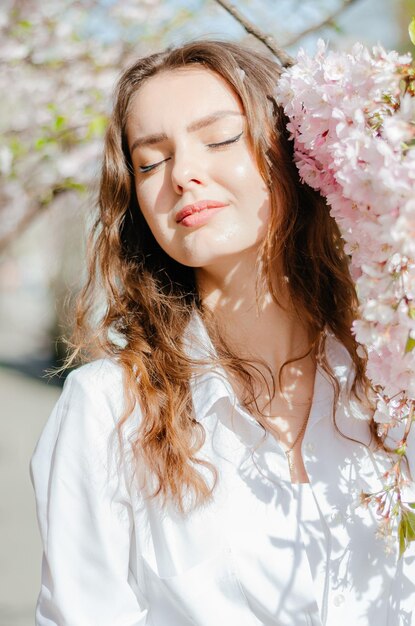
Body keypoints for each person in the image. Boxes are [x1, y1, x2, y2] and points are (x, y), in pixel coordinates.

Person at [30, 39, 415, 626]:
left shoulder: (394, 385)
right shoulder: (109, 410)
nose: (183, 174)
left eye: (220, 138)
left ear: (295, 153)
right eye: (150, 162)